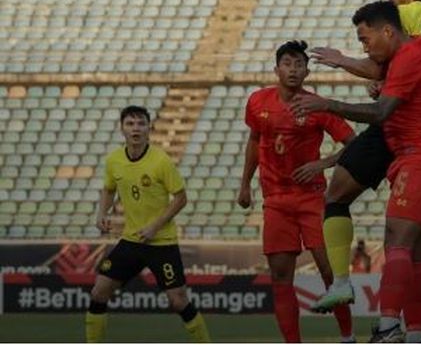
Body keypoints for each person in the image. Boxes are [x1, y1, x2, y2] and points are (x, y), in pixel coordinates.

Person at [308, 0, 421, 340]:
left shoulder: (407, 24)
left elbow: (382, 103)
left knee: (377, 227)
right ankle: (415, 332)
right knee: (416, 248)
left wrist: (338, 83)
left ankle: (382, 320)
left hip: (415, 148)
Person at [238, 40, 357, 343]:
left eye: (299, 64)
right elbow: (254, 141)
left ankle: (347, 337)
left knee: (330, 270)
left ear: (306, 71)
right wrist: (245, 184)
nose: (293, 69)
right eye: (287, 64)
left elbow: (354, 143)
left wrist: (323, 163)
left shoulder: (317, 105)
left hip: (312, 198)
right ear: (276, 69)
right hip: (275, 201)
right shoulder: (257, 102)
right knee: (280, 276)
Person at [85, 106, 210, 343]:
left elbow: (181, 198)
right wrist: (102, 212)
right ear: (122, 128)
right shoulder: (114, 160)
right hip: (131, 241)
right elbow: (109, 189)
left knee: (178, 300)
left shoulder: (160, 160)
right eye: (130, 124)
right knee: (99, 292)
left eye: (141, 124)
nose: (136, 129)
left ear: (148, 129)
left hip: (161, 242)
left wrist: (155, 226)